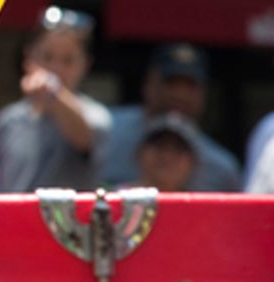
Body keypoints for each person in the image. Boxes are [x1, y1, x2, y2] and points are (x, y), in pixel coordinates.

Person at [0, 7, 112, 192]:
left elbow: (84, 137)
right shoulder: (8, 119)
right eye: (47, 57)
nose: (56, 68)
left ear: (85, 64)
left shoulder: (96, 116)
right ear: (29, 58)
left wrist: (53, 91)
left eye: (68, 60)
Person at [100, 43, 241, 191]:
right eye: (171, 82)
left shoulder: (223, 169)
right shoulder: (106, 130)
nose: (180, 94)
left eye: (178, 150)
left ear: (194, 161)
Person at [130, 112, 199, 192]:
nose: (167, 156)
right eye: (159, 145)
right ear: (140, 152)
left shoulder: (204, 199)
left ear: (193, 161)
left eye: (178, 149)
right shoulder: (118, 196)